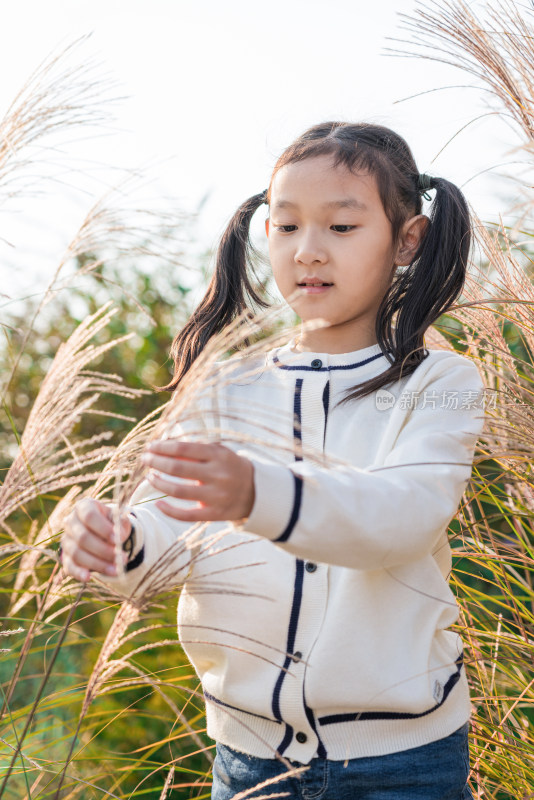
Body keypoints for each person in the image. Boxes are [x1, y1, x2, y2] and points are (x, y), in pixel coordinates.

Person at [61, 121, 485, 799]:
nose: (309, 252)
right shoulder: (225, 385)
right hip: (248, 761)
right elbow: (168, 523)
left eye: (341, 228)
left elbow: (401, 519)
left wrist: (256, 494)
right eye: (286, 227)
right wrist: (122, 545)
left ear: (409, 240)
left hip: (404, 763)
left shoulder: (439, 383)